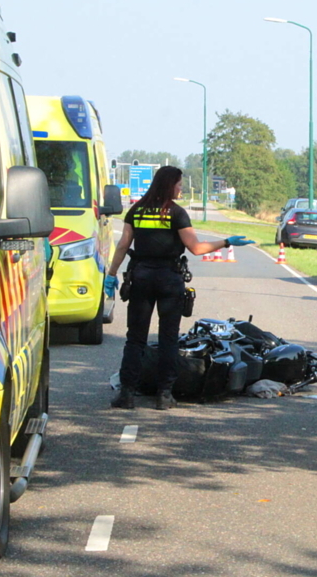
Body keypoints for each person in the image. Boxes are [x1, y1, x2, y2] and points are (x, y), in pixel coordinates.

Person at [105, 166, 254, 410]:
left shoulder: (137, 211)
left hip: (141, 278)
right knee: (168, 339)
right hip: (169, 280)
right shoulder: (176, 213)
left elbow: (123, 245)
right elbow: (196, 248)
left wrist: (111, 275)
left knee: (135, 340)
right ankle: (164, 395)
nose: (180, 188)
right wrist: (227, 241)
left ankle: (127, 393)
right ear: (168, 185)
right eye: (178, 184)